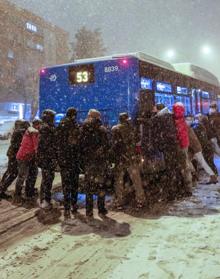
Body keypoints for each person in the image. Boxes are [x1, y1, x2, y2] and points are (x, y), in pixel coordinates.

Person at [151, 104, 186, 200]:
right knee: (176, 167)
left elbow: (157, 133)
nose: (153, 109)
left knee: (170, 169)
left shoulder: (159, 118)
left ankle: (172, 193)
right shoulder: (170, 116)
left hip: (168, 147)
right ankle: (183, 190)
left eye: (154, 108)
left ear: (159, 109)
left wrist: (160, 146)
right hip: (174, 145)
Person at [111, 112, 146, 209]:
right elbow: (138, 139)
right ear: (127, 119)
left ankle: (120, 202)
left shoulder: (115, 129)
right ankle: (140, 200)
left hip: (120, 159)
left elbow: (114, 145)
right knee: (136, 180)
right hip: (131, 157)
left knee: (119, 181)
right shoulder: (132, 128)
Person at [80, 109, 110, 219]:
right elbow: (107, 146)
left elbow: (80, 145)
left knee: (89, 186)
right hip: (100, 162)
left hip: (89, 162)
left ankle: (89, 211)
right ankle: (101, 209)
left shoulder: (84, 128)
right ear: (98, 118)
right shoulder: (102, 129)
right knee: (101, 186)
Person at [56, 108, 81, 220]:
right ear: (74, 115)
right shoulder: (75, 125)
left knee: (66, 184)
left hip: (64, 160)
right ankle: (74, 205)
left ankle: (66, 207)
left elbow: (57, 143)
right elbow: (78, 142)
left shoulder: (61, 125)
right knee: (74, 183)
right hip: (73, 159)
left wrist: (59, 158)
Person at [13, 119, 42, 204]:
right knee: (22, 176)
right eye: (39, 125)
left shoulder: (32, 132)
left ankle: (29, 192)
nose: (40, 127)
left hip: (29, 157)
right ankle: (17, 195)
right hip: (24, 157)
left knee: (33, 173)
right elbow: (35, 146)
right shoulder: (33, 133)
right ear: (37, 125)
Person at [0, 120, 29, 200]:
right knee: (13, 173)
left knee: (10, 171)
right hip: (14, 155)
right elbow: (17, 144)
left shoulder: (18, 132)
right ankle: (2, 189)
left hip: (13, 154)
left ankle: (2, 188)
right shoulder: (18, 132)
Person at [186, 116, 218, 184]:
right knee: (193, 162)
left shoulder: (188, 127)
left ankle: (196, 176)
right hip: (195, 148)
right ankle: (197, 176)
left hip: (194, 148)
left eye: (189, 119)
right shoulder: (191, 127)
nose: (188, 121)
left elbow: (191, 140)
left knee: (198, 162)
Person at [37, 109, 57, 209]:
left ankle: (44, 199)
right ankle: (45, 200)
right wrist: (53, 155)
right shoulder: (46, 128)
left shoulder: (47, 127)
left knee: (47, 178)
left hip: (46, 158)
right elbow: (47, 145)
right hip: (47, 158)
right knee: (47, 179)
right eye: (53, 117)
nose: (54, 119)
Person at [173, 102, 193, 196]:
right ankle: (188, 187)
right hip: (185, 144)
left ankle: (187, 189)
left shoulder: (178, 121)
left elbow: (179, 135)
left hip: (181, 146)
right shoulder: (182, 119)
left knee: (184, 166)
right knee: (185, 165)